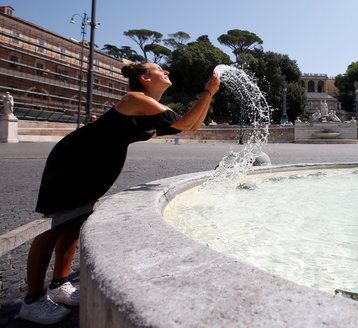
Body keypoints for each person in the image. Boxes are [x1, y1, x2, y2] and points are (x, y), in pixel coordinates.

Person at [18, 62, 221, 325]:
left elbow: (191, 126)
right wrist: (207, 93)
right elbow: (185, 122)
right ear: (146, 78)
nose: (167, 71)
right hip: (73, 161)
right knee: (52, 226)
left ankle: (59, 284)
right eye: (160, 69)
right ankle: (32, 301)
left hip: (92, 167)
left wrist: (210, 94)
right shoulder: (135, 98)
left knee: (72, 224)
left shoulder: (148, 105)